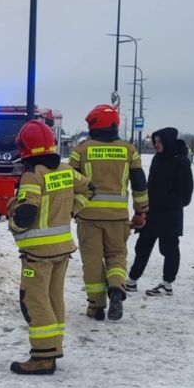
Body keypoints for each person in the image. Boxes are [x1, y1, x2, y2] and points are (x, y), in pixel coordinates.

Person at [7, 120, 93, 375]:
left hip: (37, 255)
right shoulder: (66, 171)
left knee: (35, 301)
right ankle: (52, 349)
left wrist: (13, 223)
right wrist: (72, 210)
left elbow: (26, 213)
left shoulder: (33, 175)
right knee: (54, 299)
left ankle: (42, 357)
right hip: (61, 250)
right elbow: (90, 188)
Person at [69, 104, 149, 322]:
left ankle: (96, 307)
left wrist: (70, 209)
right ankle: (116, 288)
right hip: (118, 218)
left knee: (93, 262)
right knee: (116, 256)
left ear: (94, 124)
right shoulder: (129, 150)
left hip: (88, 217)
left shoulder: (81, 150)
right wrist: (141, 211)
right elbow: (140, 184)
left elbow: (71, 183)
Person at [127, 127, 194, 296]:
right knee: (142, 246)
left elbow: (186, 191)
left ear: (168, 141)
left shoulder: (181, 161)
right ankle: (132, 280)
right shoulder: (158, 159)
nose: (156, 145)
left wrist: (169, 202)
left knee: (169, 249)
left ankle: (167, 284)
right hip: (152, 212)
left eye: (159, 142)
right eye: (155, 141)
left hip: (170, 214)